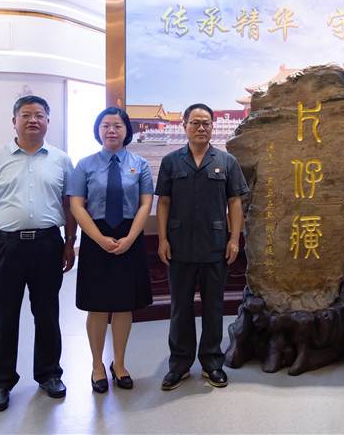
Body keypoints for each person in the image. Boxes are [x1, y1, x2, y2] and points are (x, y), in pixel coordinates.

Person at [0, 95, 76, 412]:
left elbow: (69, 205)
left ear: (48, 122)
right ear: (14, 120)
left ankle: (49, 374)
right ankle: (1, 383)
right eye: (26, 115)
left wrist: (69, 243)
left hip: (48, 244)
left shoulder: (61, 160)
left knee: (47, 314)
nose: (33, 120)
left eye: (39, 115)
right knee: (3, 317)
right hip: (6, 247)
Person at [156, 103, 248, 390]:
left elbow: (235, 202)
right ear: (184, 126)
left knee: (213, 306)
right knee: (180, 308)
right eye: (195, 122)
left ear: (212, 126)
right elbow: (164, 202)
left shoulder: (226, 161)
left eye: (206, 123)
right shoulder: (171, 162)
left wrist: (234, 239)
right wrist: (162, 239)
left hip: (215, 245)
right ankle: (180, 365)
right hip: (179, 245)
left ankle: (211, 363)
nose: (201, 128)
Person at [68, 107, 153, 394]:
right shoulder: (85, 165)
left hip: (130, 236)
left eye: (117, 125)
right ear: (98, 131)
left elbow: (145, 204)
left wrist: (130, 238)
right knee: (97, 304)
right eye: (105, 125)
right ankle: (96, 365)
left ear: (127, 131)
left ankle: (120, 363)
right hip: (96, 236)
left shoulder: (140, 164)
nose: (111, 130)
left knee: (124, 304)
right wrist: (98, 239)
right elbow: (77, 205)